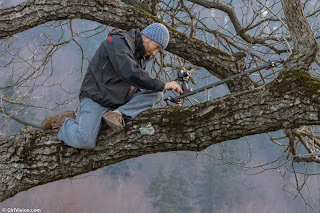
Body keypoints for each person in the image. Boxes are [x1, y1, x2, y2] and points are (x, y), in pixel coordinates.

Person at [41, 23, 183, 149]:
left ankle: (117, 114)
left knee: (156, 93)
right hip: (96, 99)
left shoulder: (141, 56)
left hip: (117, 104)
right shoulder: (117, 42)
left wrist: (161, 90)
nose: (154, 53)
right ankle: (64, 122)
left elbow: (138, 83)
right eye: (156, 47)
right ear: (147, 37)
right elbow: (129, 72)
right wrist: (164, 84)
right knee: (85, 141)